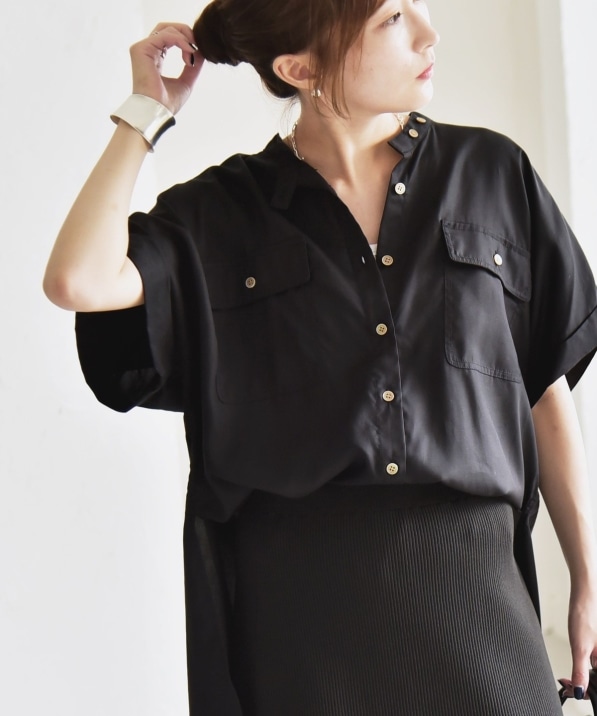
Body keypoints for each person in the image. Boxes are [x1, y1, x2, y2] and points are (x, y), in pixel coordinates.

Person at [43, 0, 597, 713]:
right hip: (302, 628)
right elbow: (78, 280)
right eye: (391, 19)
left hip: (475, 598)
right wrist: (146, 112)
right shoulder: (221, 214)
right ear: (299, 68)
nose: (427, 33)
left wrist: (587, 580)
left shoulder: (491, 175)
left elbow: (542, 389)